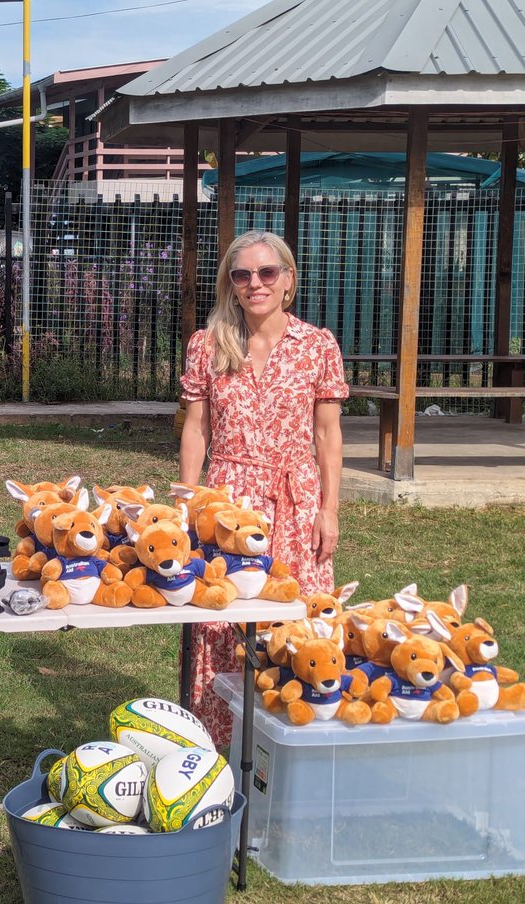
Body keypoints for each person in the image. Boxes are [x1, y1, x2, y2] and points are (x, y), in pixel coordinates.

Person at [178, 231, 348, 749]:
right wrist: (186, 505)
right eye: (242, 274)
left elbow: (327, 433)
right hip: (229, 500)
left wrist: (330, 509)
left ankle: (296, 743)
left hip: (296, 501)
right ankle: (216, 750)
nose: (255, 284)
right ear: (230, 284)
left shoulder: (317, 345)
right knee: (220, 620)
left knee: (298, 618)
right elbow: (195, 428)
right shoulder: (208, 345)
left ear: (287, 280)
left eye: (267, 272)